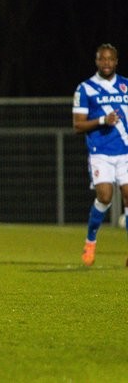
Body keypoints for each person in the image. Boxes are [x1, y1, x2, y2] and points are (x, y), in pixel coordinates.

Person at [74, 43, 128, 266]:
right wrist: (103, 121)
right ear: (96, 61)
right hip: (100, 152)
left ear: (116, 61)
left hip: (125, 150)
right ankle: (91, 240)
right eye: (102, 59)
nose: (106, 63)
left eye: (110, 59)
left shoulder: (126, 85)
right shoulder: (85, 89)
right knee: (104, 197)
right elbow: (78, 125)